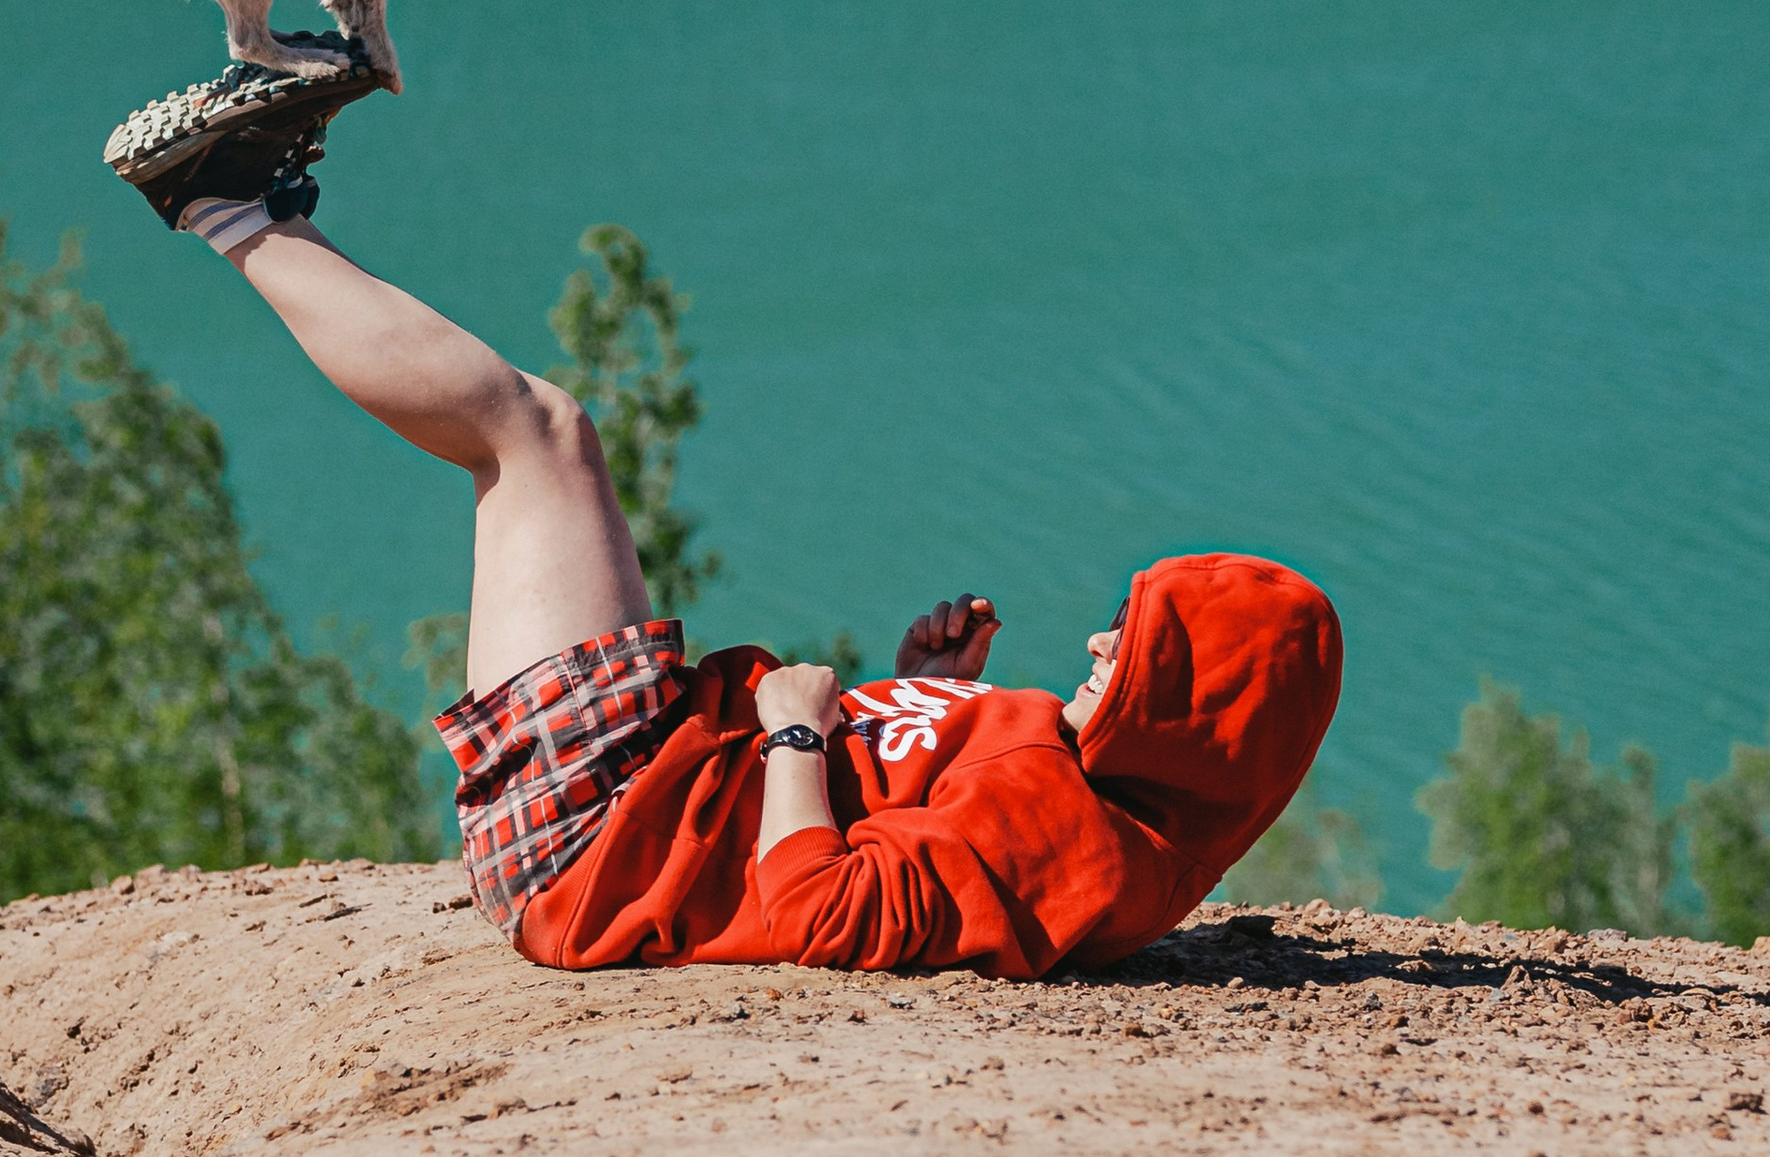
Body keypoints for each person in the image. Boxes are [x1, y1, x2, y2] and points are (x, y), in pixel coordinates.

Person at [108, 63, 1343, 977]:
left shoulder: (1075, 830)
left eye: (1132, 645)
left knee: (532, 437)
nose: (1094, 646)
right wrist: (920, 691)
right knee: (535, 441)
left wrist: (802, 739)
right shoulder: (1089, 788)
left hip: (608, 836)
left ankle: (226, 206)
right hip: (656, 787)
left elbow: (827, 914)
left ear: (1187, 707)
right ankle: (254, 200)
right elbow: (919, 829)